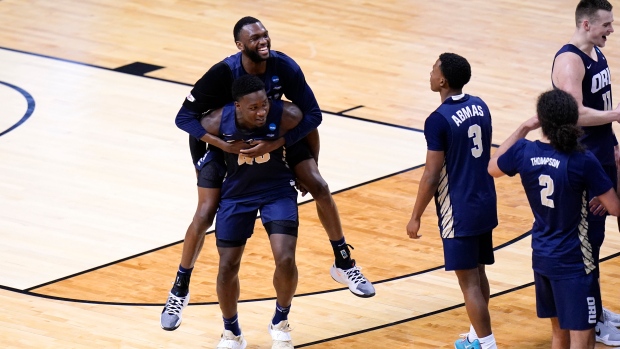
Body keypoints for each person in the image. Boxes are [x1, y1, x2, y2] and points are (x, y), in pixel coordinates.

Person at [161, 16, 374, 331]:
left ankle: (343, 261)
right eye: (255, 38)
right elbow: (185, 119)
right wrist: (222, 146)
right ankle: (180, 287)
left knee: (319, 185)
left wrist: (297, 154)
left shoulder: (284, 68)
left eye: (265, 35)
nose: (263, 42)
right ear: (240, 45)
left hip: (275, 139)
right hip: (226, 144)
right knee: (205, 213)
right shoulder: (223, 74)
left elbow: (311, 116)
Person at [489, 89, 620, 349]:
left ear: (541, 120)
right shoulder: (582, 160)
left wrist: (524, 127)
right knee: (582, 340)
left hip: (542, 257)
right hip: (575, 262)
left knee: (559, 334)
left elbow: (492, 166)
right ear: (574, 121)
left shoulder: (523, 152)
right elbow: (614, 207)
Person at [202, 75, 304, 349]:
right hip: (236, 194)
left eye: (264, 106)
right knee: (227, 266)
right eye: (253, 108)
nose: (261, 112)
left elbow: (310, 124)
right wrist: (208, 172)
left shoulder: (286, 114)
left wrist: (307, 168)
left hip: (277, 190)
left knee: (285, 258)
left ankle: (280, 323)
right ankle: (231, 331)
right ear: (237, 106)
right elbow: (192, 132)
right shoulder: (215, 122)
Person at [406, 53, 498, 349]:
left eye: (433, 69)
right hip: (485, 200)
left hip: (459, 209)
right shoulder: (480, 105)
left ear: (442, 80)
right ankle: (476, 336)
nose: (430, 73)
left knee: (468, 282)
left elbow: (432, 175)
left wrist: (415, 215)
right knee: (479, 272)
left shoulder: (437, 120)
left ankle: (487, 344)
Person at [551, 0, 620, 344]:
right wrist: (616, 115)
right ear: (586, 24)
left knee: (599, 241)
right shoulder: (569, 61)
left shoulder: (595, 52)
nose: (612, 29)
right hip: (584, 164)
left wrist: (614, 143)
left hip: (604, 155)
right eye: (606, 24)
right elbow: (574, 114)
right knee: (587, 248)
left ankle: (597, 310)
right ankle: (591, 320)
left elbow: (602, 107)